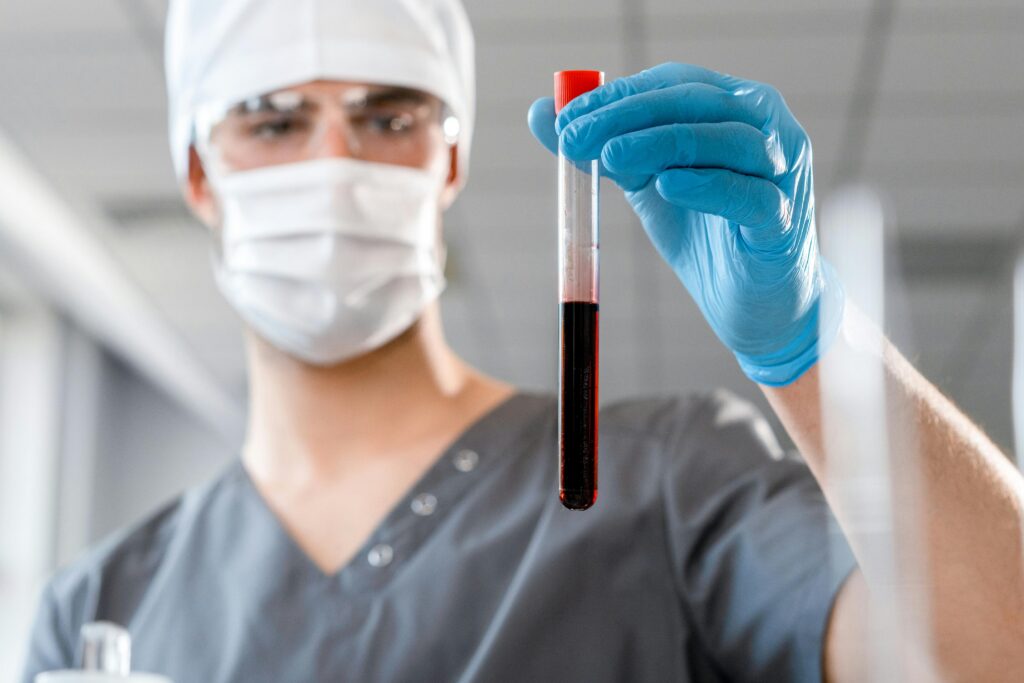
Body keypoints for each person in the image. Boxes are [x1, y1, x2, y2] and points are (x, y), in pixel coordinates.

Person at [21, 0, 1024, 681]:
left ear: (448, 157)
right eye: (272, 122)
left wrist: (816, 347)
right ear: (199, 174)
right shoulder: (99, 605)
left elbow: (996, 651)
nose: (334, 164)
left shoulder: (671, 479)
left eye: (386, 115)